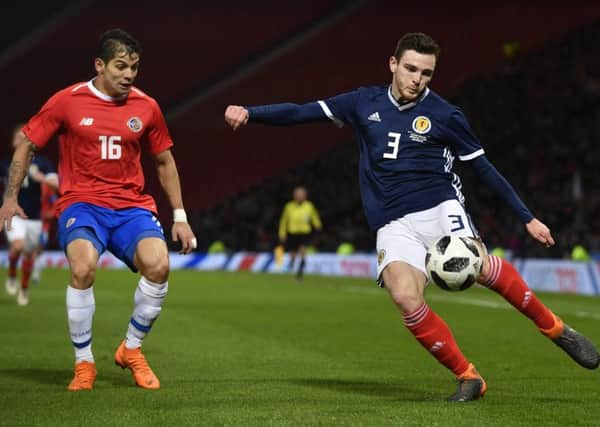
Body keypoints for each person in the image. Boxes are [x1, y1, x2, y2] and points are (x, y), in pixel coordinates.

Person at [225, 32, 599, 401]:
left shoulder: (445, 115)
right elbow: (300, 111)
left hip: (440, 208)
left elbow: (484, 168)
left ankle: (555, 329)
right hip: (392, 222)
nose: (416, 80)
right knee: (404, 296)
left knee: (481, 268)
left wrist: (526, 217)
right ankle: (468, 377)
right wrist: (251, 113)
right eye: (410, 69)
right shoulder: (362, 102)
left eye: (426, 73)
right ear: (393, 64)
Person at [0, 29, 196, 391]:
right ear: (99, 65)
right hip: (82, 204)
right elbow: (26, 145)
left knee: (159, 266)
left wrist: (180, 217)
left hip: (132, 206)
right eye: (121, 66)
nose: (129, 75)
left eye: (134, 67)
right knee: (83, 267)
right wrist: (11, 197)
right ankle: (84, 363)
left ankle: (131, 349)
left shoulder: (146, 106)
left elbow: (165, 161)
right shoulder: (67, 101)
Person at [1, 124, 58, 305]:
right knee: (17, 246)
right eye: (18, 137)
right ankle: (11, 274)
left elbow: (58, 186)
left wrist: (41, 178)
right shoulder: (6, 165)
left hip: (34, 218)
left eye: (25, 137)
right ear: (13, 141)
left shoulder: (42, 163)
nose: (21, 141)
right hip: (15, 214)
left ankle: (24, 289)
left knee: (29, 254)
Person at [278, 186, 322, 279]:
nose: (299, 196)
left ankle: (300, 269)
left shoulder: (309, 206)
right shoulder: (289, 206)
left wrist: (318, 225)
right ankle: (292, 263)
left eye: (301, 194)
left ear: (305, 196)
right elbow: (284, 221)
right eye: (298, 195)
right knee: (293, 252)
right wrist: (282, 233)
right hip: (292, 232)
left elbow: (314, 217)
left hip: (304, 232)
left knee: (302, 249)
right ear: (294, 196)